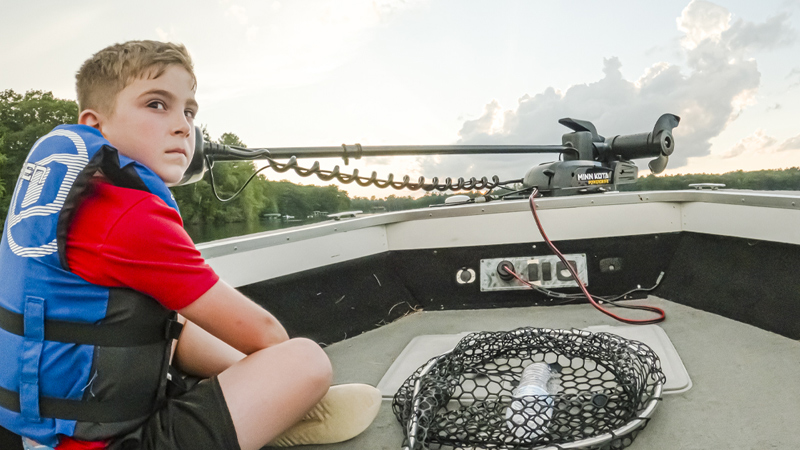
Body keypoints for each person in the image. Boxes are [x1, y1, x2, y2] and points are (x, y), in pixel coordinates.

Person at [0, 41, 380, 450]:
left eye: (189, 111)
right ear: (95, 125)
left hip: (31, 434)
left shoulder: (63, 193)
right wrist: (271, 377)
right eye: (157, 104)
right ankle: (273, 409)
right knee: (304, 360)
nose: (184, 126)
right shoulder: (131, 215)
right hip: (99, 444)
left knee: (174, 322)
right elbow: (267, 336)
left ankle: (263, 407)